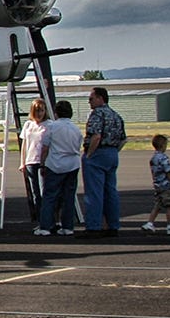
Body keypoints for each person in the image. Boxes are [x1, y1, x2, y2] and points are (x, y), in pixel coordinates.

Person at [82, 86, 126, 237]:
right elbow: (123, 138)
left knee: (94, 192)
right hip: (112, 152)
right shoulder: (115, 115)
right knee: (110, 191)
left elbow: (96, 136)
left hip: (98, 153)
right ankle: (113, 225)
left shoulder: (97, 114)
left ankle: (94, 226)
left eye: (91, 99)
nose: (89, 102)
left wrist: (89, 154)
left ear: (100, 98)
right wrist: (113, 151)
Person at [36, 100, 83, 237]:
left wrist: (42, 163)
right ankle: (67, 226)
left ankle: (46, 226)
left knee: (49, 196)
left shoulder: (52, 127)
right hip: (72, 164)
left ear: (56, 113)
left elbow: (45, 147)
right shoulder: (76, 128)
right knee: (68, 197)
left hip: (55, 163)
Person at [142, 134, 170, 235]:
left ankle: (150, 223)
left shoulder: (153, 158)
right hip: (166, 185)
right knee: (169, 206)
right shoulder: (163, 158)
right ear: (163, 145)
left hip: (157, 186)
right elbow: (168, 172)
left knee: (157, 205)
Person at [20, 99, 48, 221]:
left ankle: (48, 218)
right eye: (37, 110)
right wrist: (23, 163)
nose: (39, 113)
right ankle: (40, 218)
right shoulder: (28, 125)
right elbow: (24, 145)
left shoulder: (48, 125)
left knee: (44, 192)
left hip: (43, 162)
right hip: (30, 161)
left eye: (41, 110)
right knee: (35, 193)